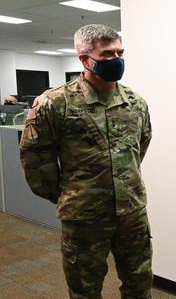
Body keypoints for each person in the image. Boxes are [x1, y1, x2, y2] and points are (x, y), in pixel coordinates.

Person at [19, 24, 153, 299]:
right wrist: (69, 195)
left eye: (120, 52)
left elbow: (140, 147)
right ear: (84, 59)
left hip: (131, 213)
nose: (117, 59)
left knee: (139, 286)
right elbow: (35, 159)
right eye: (107, 54)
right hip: (83, 218)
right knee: (84, 290)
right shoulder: (55, 103)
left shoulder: (135, 102)